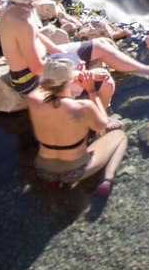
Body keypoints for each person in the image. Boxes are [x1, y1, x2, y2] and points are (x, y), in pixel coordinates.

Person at [0, 0, 149, 109]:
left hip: (47, 60)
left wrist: (58, 51)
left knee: (100, 45)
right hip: (30, 79)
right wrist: (80, 73)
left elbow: (36, 35)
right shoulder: (22, 21)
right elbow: (37, 68)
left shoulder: (15, 6)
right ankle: (102, 112)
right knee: (106, 82)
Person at [27, 53, 126, 194]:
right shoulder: (83, 107)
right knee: (120, 136)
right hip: (74, 171)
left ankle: (52, 183)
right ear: (68, 79)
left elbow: (47, 85)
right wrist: (91, 90)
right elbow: (102, 125)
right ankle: (107, 181)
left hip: (44, 170)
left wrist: (71, 75)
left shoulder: (33, 100)